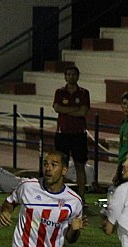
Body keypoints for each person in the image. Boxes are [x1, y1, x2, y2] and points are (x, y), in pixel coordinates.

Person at [53, 65, 91, 200]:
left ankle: (81, 197)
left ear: (78, 76)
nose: (71, 77)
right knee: (60, 166)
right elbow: (57, 108)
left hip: (78, 134)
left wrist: (66, 109)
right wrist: (75, 109)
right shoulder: (59, 92)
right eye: (68, 74)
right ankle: (59, 195)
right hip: (62, 134)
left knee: (80, 165)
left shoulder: (84, 93)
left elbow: (84, 111)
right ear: (65, 76)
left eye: (73, 74)